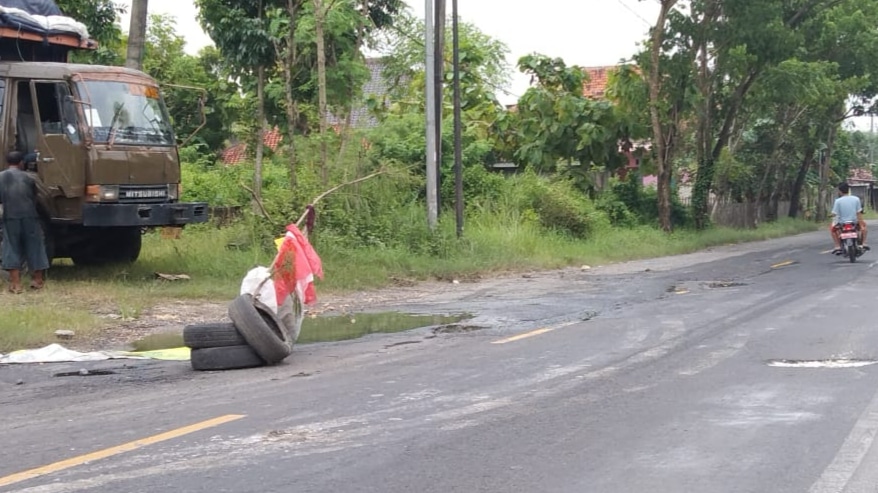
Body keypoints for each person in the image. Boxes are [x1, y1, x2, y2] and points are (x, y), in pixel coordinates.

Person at [0, 150, 48, 293]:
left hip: (10, 217)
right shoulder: (29, 177)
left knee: (11, 247)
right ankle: (37, 281)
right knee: (35, 245)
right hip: (30, 216)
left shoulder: (0, 177)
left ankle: (16, 284)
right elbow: (34, 196)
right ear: (21, 163)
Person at [830, 182, 869, 254]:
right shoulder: (856, 199)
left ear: (840, 191)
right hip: (854, 221)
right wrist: (861, 224)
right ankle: (863, 243)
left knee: (832, 229)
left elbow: (834, 213)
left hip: (842, 222)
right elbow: (858, 213)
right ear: (848, 189)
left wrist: (831, 215)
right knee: (864, 228)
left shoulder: (838, 201)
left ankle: (837, 246)